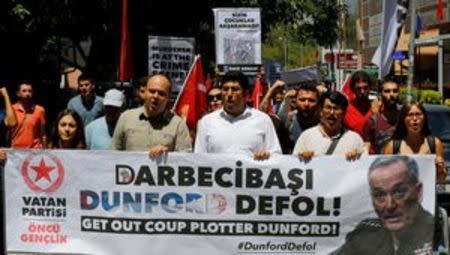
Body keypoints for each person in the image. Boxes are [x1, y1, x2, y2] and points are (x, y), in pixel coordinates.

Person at [332, 156, 434, 255]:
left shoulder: (436, 231)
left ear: (418, 191)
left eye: (399, 192)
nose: (390, 205)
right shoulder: (366, 235)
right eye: (380, 195)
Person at [195, 71, 281, 160]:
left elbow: (276, 156)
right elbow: (199, 159)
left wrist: (266, 156)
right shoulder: (207, 122)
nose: (229, 94)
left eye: (235, 89)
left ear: (246, 94)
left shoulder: (262, 120)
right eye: (225, 89)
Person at [111, 73, 192, 156]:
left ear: (168, 97)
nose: (155, 96)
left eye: (161, 93)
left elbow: (185, 159)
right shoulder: (126, 118)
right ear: (144, 92)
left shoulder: (178, 125)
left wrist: (169, 155)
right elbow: (113, 155)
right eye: (152, 91)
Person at [382, 101, 447, 183]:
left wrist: (440, 169)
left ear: (424, 118)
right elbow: (385, 179)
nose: (415, 119)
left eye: (418, 114)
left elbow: (441, 179)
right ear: (403, 119)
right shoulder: (392, 147)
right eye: (410, 115)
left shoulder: (435, 144)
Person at [293, 91, 366, 161]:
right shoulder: (306, 137)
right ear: (321, 111)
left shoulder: (355, 140)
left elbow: (365, 168)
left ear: (343, 113)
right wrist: (302, 158)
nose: (332, 112)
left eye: (336, 108)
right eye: (328, 108)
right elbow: (294, 164)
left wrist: (357, 159)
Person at [362, 78, 400, 154]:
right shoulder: (372, 122)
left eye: (395, 91)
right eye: (387, 91)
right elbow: (366, 150)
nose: (391, 94)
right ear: (380, 94)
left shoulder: (407, 118)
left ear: (399, 93)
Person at [9, 81, 46, 148]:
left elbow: (43, 134)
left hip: (34, 151)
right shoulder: (12, 110)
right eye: (24, 91)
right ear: (18, 94)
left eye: (30, 91)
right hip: (16, 151)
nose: (27, 94)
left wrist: (45, 150)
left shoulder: (39, 110)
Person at [343, 71, 373, 136]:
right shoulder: (345, 110)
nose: (362, 91)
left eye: (365, 88)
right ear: (353, 89)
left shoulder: (376, 107)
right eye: (358, 89)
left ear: (370, 87)